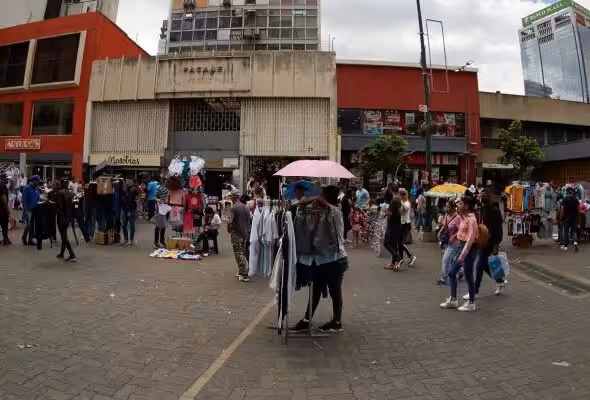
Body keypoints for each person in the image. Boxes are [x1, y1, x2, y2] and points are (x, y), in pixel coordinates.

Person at [292, 185, 349, 333]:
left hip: (336, 259)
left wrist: (314, 198)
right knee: (316, 288)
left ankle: (337, 322)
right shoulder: (326, 211)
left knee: (335, 290)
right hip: (322, 259)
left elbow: (318, 203)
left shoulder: (335, 211)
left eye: (322, 195)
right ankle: (307, 319)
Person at [440, 195, 478, 312]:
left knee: (468, 275)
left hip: (469, 249)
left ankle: (471, 302)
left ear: (466, 206)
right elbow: (462, 232)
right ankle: (453, 299)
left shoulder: (472, 220)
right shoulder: (463, 217)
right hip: (461, 247)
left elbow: (470, 239)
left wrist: (462, 256)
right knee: (451, 273)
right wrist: (455, 236)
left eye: (460, 204)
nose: (458, 205)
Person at [469, 187, 506, 298]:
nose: (481, 197)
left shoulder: (494, 210)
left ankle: (475, 291)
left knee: (479, 266)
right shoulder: (483, 208)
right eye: (481, 196)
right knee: (483, 265)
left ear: (489, 196)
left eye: (483, 196)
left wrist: (496, 244)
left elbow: (498, 229)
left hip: (490, 242)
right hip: (482, 241)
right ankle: (500, 281)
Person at [228, 190, 251, 282]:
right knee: (242, 252)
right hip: (245, 233)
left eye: (231, 197)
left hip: (237, 233)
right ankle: (242, 271)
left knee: (238, 253)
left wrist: (228, 227)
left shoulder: (234, 208)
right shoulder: (246, 207)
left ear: (234, 197)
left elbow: (230, 221)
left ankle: (244, 274)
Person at [437, 199, 461, 285]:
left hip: (455, 243)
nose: (446, 208)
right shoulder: (447, 215)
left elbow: (461, 230)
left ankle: (443, 277)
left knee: (445, 259)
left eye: (448, 207)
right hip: (447, 241)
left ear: (453, 208)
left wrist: (454, 236)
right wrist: (440, 231)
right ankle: (461, 271)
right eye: (446, 206)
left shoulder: (458, 218)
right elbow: (445, 225)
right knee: (452, 260)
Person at [56, 179, 77, 262]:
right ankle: (61, 253)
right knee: (64, 235)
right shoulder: (71, 193)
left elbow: (59, 206)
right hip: (68, 217)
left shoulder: (60, 193)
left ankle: (72, 255)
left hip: (62, 217)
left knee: (64, 237)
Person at [383, 197, 403, 271]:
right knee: (394, 246)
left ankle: (397, 257)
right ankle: (393, 263)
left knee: (386, 243)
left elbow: (388, 217)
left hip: (391, 230)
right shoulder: (397, 211)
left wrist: (386, 212)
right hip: (397, 230)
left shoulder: (392, 212)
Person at [22, 176, 41, 246]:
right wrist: (25, 210)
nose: (38, 183)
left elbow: (38, 198)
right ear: (34, 181)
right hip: (28, 210)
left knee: (32, 226)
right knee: (29, 225)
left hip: (35, 209)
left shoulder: (37, 189)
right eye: (38, 181)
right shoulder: (27, 188)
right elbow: (24, 200)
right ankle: (24, 237)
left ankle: (30, 240)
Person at [399, 189, 417, 266]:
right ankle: (401, 258)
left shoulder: (407, 203)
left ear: (402, 196)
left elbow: (405, 209)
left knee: (401, 242)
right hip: (402, 223)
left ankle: (411, 256)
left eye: (400, 195)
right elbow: (400, 212)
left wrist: (400, 202)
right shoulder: (402, 203)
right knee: (399, 242)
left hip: (406, 224)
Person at [120, 179, 140, 246]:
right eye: (125, 183)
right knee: (124, 225)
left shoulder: (133, 190)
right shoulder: (124, 191)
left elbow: (138, 193)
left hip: (131, 209)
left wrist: (135, 187)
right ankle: (126, 238)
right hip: (125, 210)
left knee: (131, 225)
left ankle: (130, 240)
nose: (126, 184)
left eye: (127, 183)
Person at [560, 187, 580, 252]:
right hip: (574, 218)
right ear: (572, 192)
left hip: (566, 218)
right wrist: (578, 218)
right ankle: (575, 243)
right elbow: (579, 210)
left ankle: (565, 246)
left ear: (566, 192)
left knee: (566, 231)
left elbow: (562, 210)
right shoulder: (576, 199)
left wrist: (561, 218)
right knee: (574, 231)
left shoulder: (565, 199)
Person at [153, 179, 169, 248]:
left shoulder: (170, 189)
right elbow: (155, 196)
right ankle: (156, 242)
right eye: (165, 181)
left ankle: (162, 241)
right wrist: (158, 200)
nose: (166, 182)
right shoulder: (159, 188)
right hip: (160, 208)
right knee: (158, 226)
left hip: (167, 208)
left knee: (164, 225)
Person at [0, 174, 11, 245]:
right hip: (2, 210)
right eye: (7, 178)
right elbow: (3, 199)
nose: (8, 180)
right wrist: (7, 210)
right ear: (3, 178)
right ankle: (5, 239)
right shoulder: (2, 186)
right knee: (4, 225)